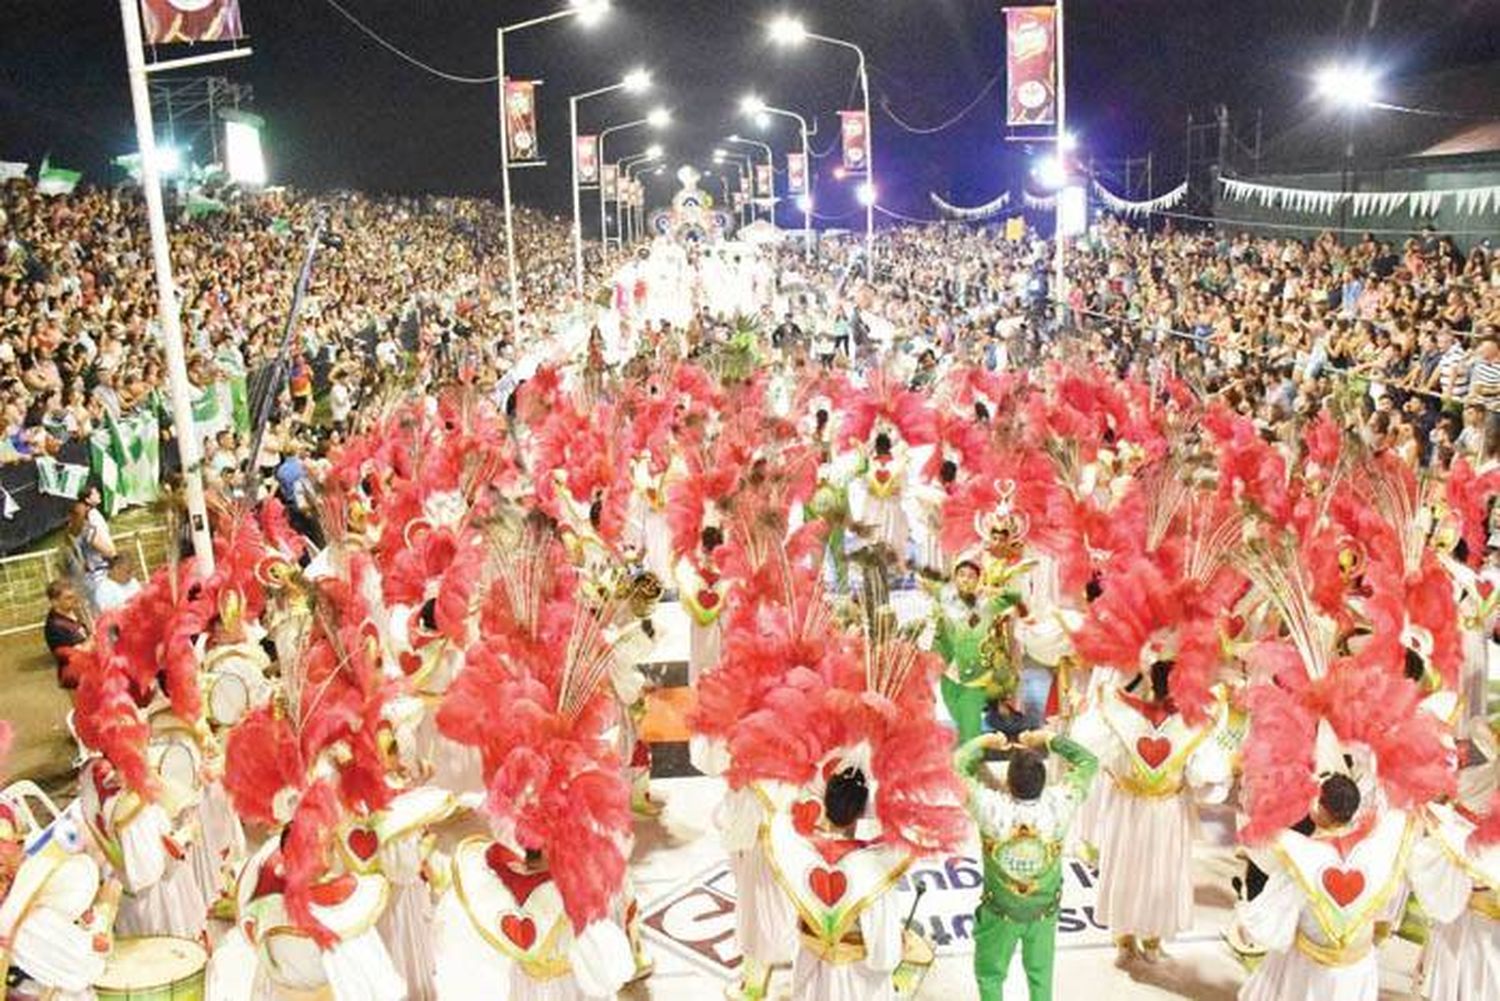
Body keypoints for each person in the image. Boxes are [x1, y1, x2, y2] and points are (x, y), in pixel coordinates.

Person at [1237, 775, 1412, 1001]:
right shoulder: (1375, 853)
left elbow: (1268, 924)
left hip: (1307, 968)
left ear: (1319, 808)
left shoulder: (1301, 857)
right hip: (1357, 968)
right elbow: (1397, 824)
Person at [956, 729, 1098, 1001]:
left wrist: (984, 742)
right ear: (1044, 782)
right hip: (1043, 912)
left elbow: (956, 766)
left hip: (1000, 913)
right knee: (1041, 978)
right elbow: (1088, 761)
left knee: (990, 976)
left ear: (1007, 783)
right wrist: (1048, 738)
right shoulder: (1060, 803)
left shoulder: (990, 807)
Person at [65, 485, 114, 614]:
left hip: (93, 573)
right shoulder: (88, 520)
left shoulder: (76, 525)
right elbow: (95, 541)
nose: (99, 494)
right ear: (87, 500)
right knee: (106, 612)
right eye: (95, 492)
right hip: (98, 572)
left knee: (98, 612)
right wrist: (113, 555)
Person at [42, 577, 89, 685]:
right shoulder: (55, 627)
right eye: (68, 598)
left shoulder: (75, 612)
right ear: (55, 602)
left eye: (74, 596)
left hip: (88, 669)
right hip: (74, 676)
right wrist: (95, 637)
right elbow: (76, 654)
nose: (74, 600)